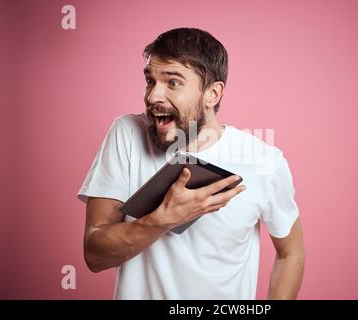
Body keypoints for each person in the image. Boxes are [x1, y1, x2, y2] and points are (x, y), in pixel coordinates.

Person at [77, 27, 305, 300]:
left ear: (212, 94)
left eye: (173, 83)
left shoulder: (264, 161)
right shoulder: (126, 134)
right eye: (150, 81)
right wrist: (163, 219)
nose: (152, 97)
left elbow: (291, 253)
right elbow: (95, 255)